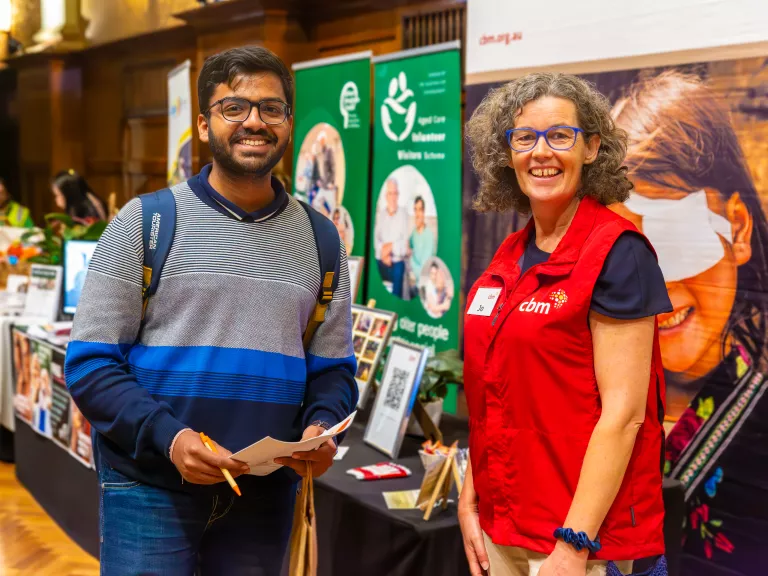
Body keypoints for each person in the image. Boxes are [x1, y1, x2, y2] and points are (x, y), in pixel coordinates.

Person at [64, 46, 358, 575]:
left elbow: (333, 371)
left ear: (288, 124)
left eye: (271, 108)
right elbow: (90, 364)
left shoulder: (322, 240)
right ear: (203, 124)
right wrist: (170, 438)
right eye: (234, 108)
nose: (254, 121)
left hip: (263, 497)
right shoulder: (143, 224)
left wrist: (321, 427)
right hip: (148, 488)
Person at [461, 72, 672, 576]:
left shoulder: (618, 254)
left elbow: (625, 415)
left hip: (577, 544)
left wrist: (574, 544)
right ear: (506, 153)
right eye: (525, 138)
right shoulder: (509, 256)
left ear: (592, 147)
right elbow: (494, 393)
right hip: (502, 525)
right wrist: (471, 497)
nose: (541, 152)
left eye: (560, 136)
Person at [612, 70, 768, 575]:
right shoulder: (598, 385)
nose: (655, 285)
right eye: (624, 249)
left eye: (676, 238)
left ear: (737, 228)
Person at [374, 178, 409, 298]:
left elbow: (404, 245)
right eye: (390, 193)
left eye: (395, 193)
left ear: (398, 195)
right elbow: (376, 241)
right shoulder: (381, 215)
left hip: (396, 262)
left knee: (399, 270)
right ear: (386, 196)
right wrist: (384, 253)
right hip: (382, 260)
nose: (393, 197)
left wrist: (389, 248)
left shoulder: (404, 214)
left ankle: (394, 306)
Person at [408, 196, 434, 293]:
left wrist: (410, 258)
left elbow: (423, 272)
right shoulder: (414, 233)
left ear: (424, 212)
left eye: (420, 210)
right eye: (415, 210)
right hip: (414, 284)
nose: (417, 214)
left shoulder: (429, 236)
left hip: (424, 288)